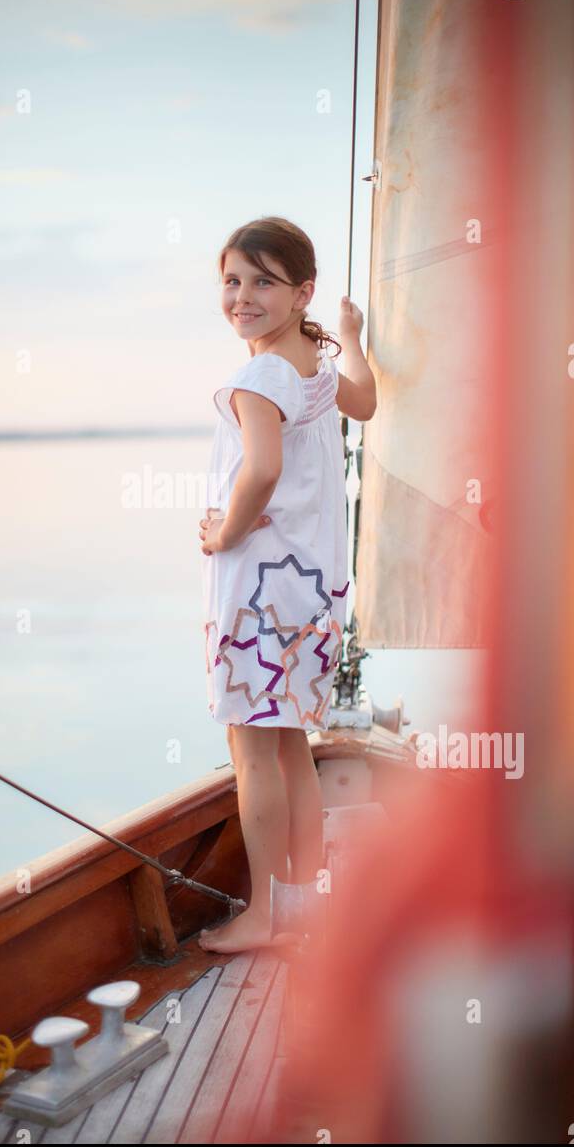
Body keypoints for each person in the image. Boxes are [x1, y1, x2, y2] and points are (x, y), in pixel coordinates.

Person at [198, 216, 376, 954]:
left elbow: (262, 470)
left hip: (258, 591)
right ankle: (304, 902)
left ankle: (266, 913)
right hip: (311, 590)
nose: (242, 297)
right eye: (233, 281)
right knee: (290, 745)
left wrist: (227, 531)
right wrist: (352, 335)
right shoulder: (309, 363)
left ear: (299, 289)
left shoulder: (257, 375)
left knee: (252, 752)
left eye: (263, 282)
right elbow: (363, 400)